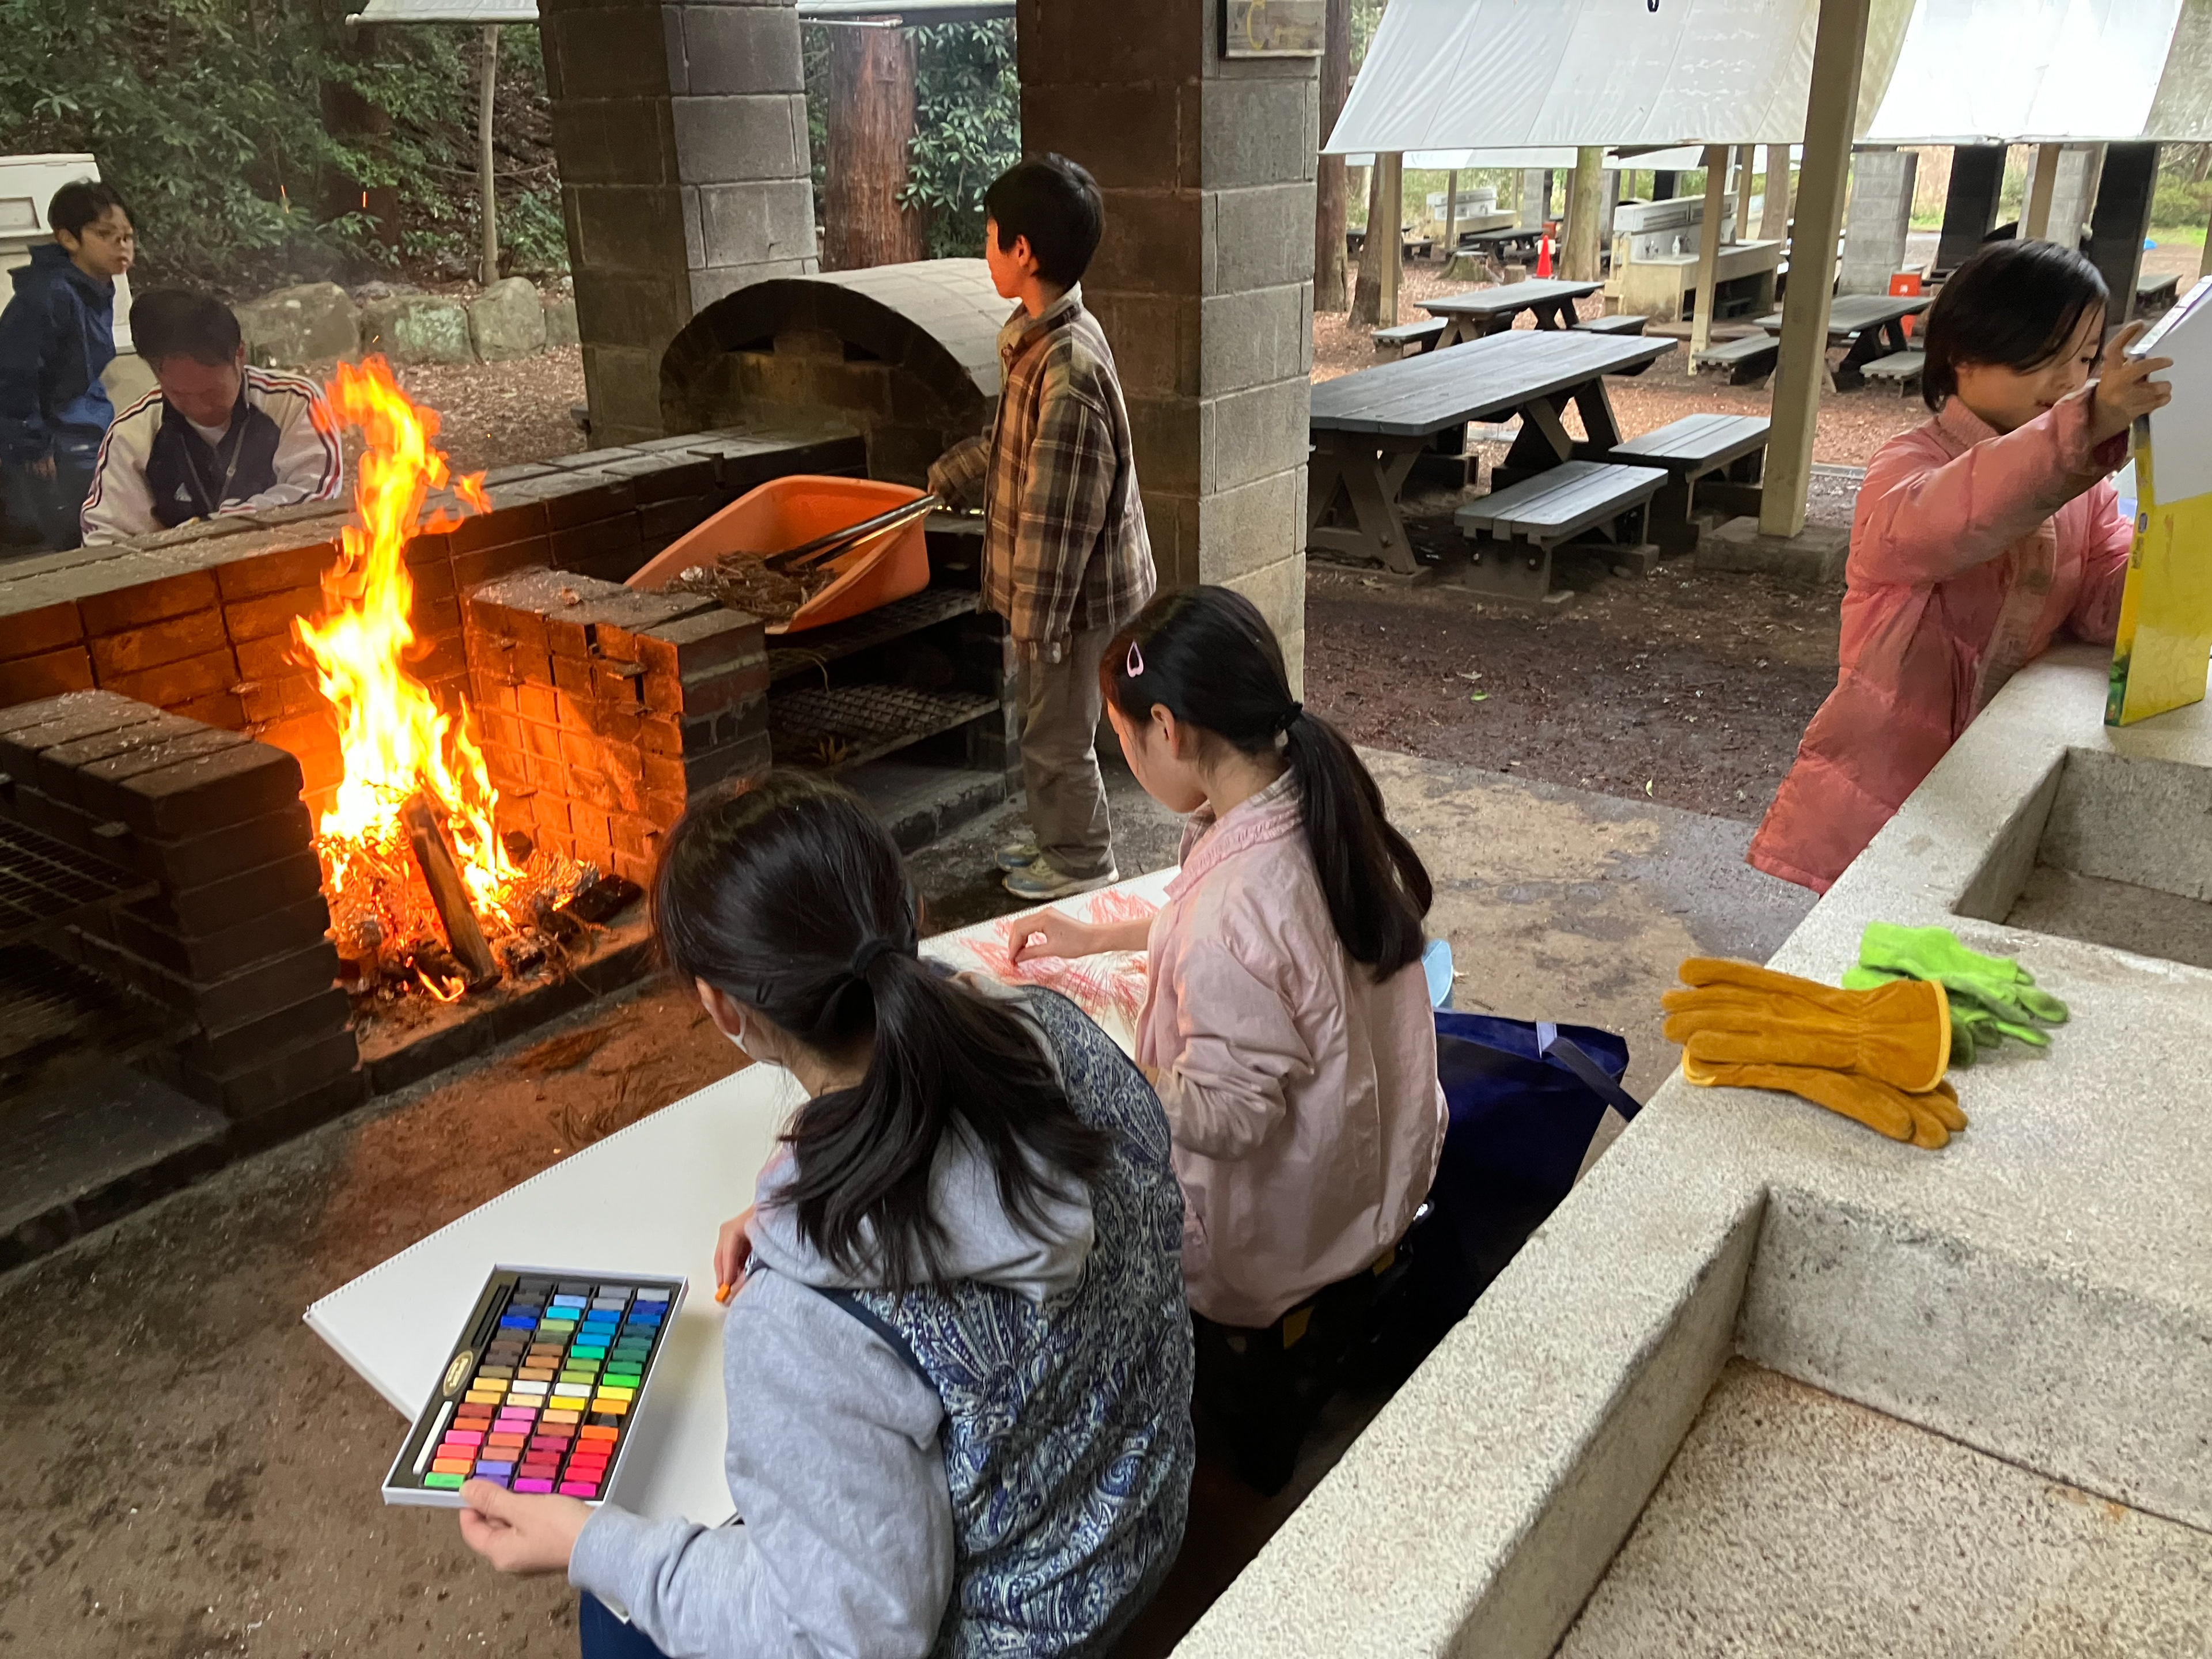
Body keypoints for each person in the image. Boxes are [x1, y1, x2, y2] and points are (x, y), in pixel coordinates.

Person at [454, 773, 1195, 1659]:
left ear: (722, 1007)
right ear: (911, 911)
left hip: (1028, 1635)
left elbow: (854, 1639)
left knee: (614, 1621)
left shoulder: (800, 1323)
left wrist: (591, 1543)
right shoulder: (1053, 1029)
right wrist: (805, 1194)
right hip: (1141, 1522)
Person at [1010, 586, 1446, 1489]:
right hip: (1389, 1174)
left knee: (1056, 1189)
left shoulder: (1229, 910)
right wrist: (1096, 938)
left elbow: (1234, 1118)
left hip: (1291, 1237)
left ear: (1166, 730)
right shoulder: (1319, 803)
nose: (1128, 756)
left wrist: (1101, 1069)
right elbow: (1265, 938)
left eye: (1123, 740)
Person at [1749, 240, 2172, 893]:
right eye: (2046, 355)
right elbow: (1961, 517)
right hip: (1888, 782)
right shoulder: (1909, 467)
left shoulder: (2080, 486)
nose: (2070, 382)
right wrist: (2086, 426)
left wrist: (2175, 562)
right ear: (1964, 355)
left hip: (1993, 769)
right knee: (1879, 932)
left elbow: (2100, 598)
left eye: (2086, 360)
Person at [927, 154, 1155, 904]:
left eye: (990, 235)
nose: (985, 249)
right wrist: (954, 472)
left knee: (1056, 736)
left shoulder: (1067, 371)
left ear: (1022, 250)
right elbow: (1011, 444)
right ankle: (1060, 835)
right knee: (1048, 728)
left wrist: (1038, 628)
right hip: (1064, 600)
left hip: (1073, 604)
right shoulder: (1041, 337)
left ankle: (1083, 861)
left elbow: (1059, 527)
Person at [80, 288, 341, 545]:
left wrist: (203, 529)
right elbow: (104, 539)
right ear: (155, 373)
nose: (200, 408)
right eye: (179, 394)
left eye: (211, 392)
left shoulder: (293, 403)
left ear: (240, 354)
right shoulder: (132, 434)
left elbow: (315, 499)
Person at [0, 180, 134, 551]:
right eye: (105, 234)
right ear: (68, 239)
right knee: (73, 542)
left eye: (127, 236)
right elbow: (14, 375)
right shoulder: (49, 294)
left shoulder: (96, 285)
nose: (121, 245)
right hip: (53, 442)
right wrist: (33, 446)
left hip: (86, 424)